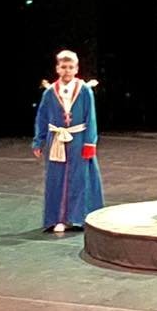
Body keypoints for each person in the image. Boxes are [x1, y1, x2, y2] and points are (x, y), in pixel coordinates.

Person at [32, 50, 104, 233]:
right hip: (57, 140)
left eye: (71, 67)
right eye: (63, 67)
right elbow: (42, 117)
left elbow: (91, 117)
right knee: (56, 179)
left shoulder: (84, 90)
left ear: (76, 69)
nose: (67, 70)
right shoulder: (50, 92)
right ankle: (58, 218)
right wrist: (39, 141)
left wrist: (90, 143)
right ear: (57, 68)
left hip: (78, 139)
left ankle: (78, 217)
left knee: (80, 178)